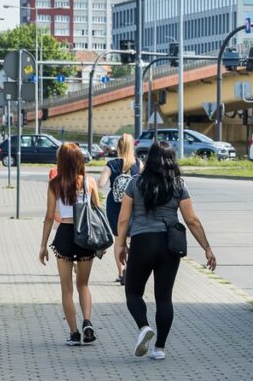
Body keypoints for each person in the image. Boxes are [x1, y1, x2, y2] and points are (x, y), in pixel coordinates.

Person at [114, 141, 216, 360]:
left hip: (142, 242)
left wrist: (121, 244)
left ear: (149, 159)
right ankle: (159, 348)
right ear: (172, 161)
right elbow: (192, 220)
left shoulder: (135, 183)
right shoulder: (178, 185)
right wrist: (207, 248)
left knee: (133, 292)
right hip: (170, 245)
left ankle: (143, 327)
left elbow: (123, 220)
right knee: (164, 297)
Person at [38, 142, 101, 346]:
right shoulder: (89, 182)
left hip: (64, 234)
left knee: (66, 289)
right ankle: (88, 322)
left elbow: (49, 217)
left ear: (61, 161)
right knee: (83, 284)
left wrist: (43, 245)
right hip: (85, 236)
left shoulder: (55, 184)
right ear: (79, 160)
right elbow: (97, 211)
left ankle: (74, 334)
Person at [98, 133, 142, 285]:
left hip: (115, 205)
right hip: (134, 205)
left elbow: (101, 184)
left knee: (119, 239)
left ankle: (121, 271)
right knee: (133, 238)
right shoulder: (138, 163)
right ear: (132, 147)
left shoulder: (112, 164)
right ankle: (133, 270)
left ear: (118, 147)